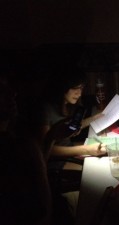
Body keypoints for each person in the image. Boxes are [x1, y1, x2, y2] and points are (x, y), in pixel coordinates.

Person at [0, 73, 80, 225]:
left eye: (9, 87)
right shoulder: (19, 146)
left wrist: (51, 137)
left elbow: (36, 169)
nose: (13, 93)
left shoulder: (15, 138)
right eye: (2, 90)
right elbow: (41, 207)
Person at [40, 68, 107, 172]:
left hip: (69, 149)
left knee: (106, 153)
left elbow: (73, 126)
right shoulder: (45, 109)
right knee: (98, 170)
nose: (79, 93)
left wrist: (96, 117)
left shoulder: (67, 105)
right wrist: (86, 149)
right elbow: (48, 150)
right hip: (55, 162)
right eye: (75, 88)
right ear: (62, 87)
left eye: (81, 88)